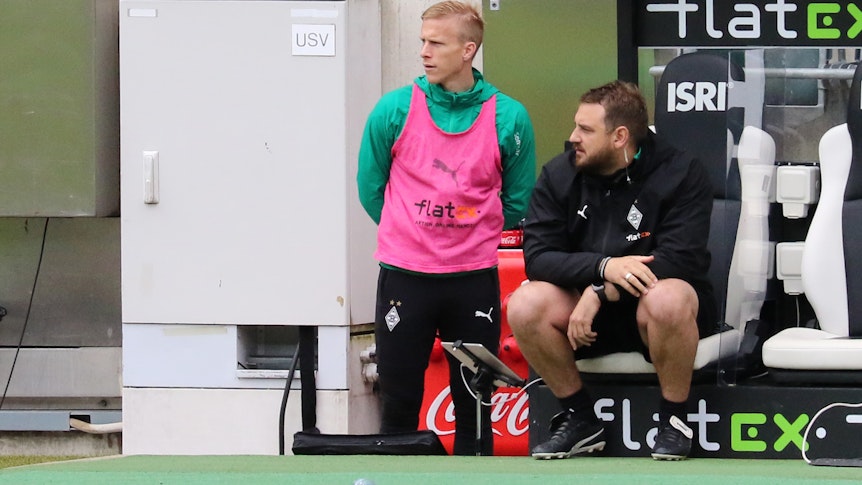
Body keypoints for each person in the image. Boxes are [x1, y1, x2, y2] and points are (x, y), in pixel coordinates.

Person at [356, 1, 536, 456]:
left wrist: (466, 235)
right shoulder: (393, 110)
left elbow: (518, 200)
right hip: (405, 276)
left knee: (475, 402)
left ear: (468, 50)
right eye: (422, 41)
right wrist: (413, 234)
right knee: (398, 400)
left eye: (436, 43)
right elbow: (370, 188)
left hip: (472, 279)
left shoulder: (509, 117)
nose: (424, 52)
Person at [507, 80, 717, 461]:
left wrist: (601, 289)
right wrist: (603, 267)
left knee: (668, 296)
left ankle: (674, 420)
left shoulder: (681, 172)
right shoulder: (559, 174)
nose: (573, 138)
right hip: (584, 323)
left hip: (655, 317)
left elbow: (680, 259)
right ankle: (580, 418)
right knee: (524, 303)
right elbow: (537, 257)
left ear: (620, 136)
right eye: (575, 126)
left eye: (585, 130)